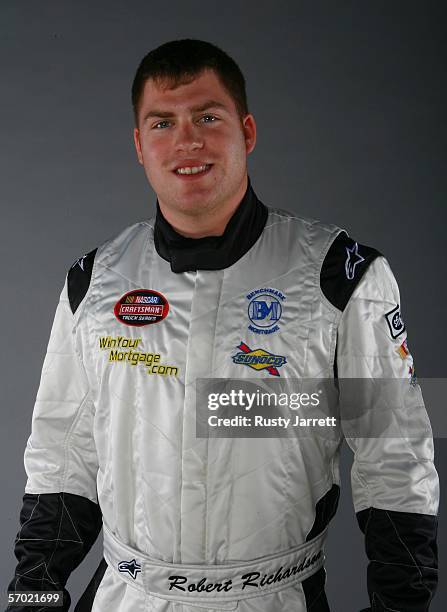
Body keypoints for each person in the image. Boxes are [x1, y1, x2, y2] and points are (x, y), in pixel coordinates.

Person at [6, 39, 438, 612]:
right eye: (163, 122)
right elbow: (63, 453)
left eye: (208, 117)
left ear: (247, 132)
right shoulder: (95, 283)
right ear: (139, 145)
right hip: (127, 597)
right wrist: (32, 594)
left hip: (274, 599)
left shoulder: (340, 275)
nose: (187, 140)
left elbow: (395, 453)